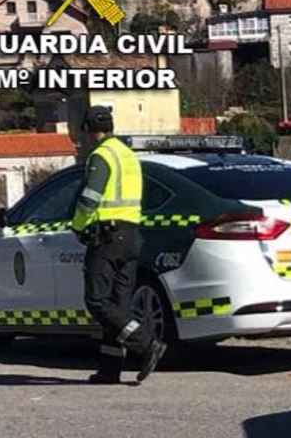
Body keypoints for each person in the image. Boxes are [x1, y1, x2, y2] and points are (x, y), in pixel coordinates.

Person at [71, 106, 167, 384]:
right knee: (117, 306)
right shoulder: (128, 155)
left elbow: (90, 197)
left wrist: (78, 225)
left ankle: (147, 344)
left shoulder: (101, 155)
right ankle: (110, 369)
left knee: (97, 300)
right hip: (131, 235)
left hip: (108, 237)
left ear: (88, 130)